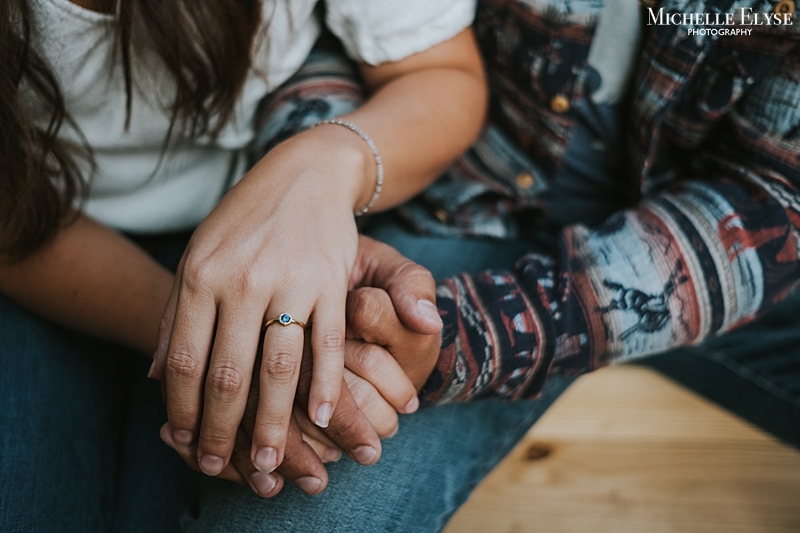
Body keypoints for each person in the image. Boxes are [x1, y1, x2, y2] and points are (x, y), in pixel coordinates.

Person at [163, 0, 800, 531]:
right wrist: (312, 197)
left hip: (724, 256)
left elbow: (772, 200)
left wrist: (460, 338)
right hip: (445, 210)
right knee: (297, 507)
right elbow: (329, 28)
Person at [0, 0, 487, 530]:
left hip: (280, 207)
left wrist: (322, 166)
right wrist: (213, 337)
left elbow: (438, 74)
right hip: (44, 248)